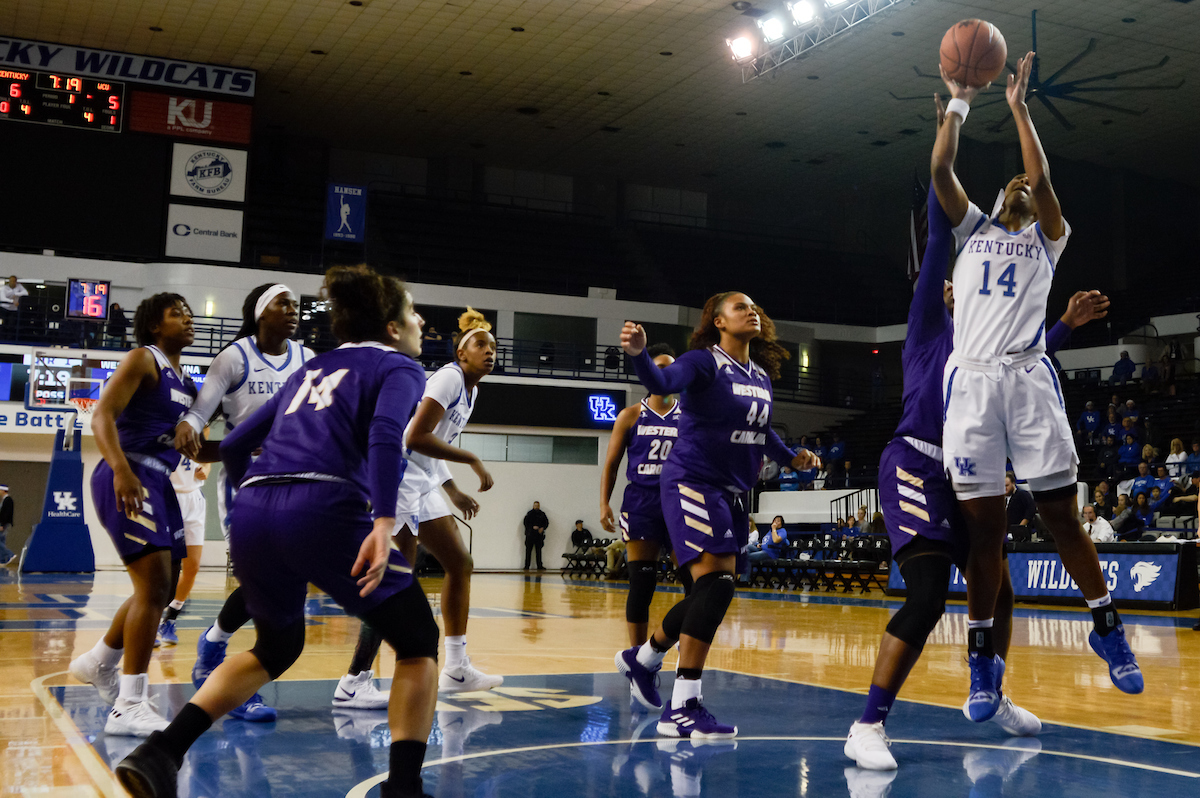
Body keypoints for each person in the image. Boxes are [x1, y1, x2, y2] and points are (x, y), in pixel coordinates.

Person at [115, 265, 439, 798]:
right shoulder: (400, 367)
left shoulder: (309, 368)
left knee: (277, 645)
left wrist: (248, 505)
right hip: (323, 506)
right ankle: (403, 789)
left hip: (254, 510)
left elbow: (235, 444)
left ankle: (162, 752)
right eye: (412, 313)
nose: (420, 322)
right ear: (391, 327)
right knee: (418, 640)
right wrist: (384, 520)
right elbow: (385, 433)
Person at [844, 152, 1106, 769]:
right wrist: (948, 137)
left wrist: (1065, 324)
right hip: (916, 465)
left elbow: (1028, 357)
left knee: (1001, 589)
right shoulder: (930, 329)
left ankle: (989, 685)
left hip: (967, 470)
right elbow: (941, 234)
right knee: (929, 595)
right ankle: (867, 725)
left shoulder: (998, 344)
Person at [933, 52, 1141, 725]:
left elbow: (1043, 177)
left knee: (1059, 515)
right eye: (1014, 182)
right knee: (984, 532)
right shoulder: (972, 230)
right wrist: (959, 103)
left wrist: (1019, 109)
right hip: (972, 383)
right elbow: (941, 172)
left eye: (1028, 181)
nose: (1023, 183)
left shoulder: (1049, 239)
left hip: (1026, 378)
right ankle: (982, 660)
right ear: (999, 199)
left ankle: (1105, 624)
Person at [614, 292, 818, 738]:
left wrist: (792, 458)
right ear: (719, 321)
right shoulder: (704, 362)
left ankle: (644, 658)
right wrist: (639, 355)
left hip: (732, 493)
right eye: (740, 307)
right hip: (692, 480)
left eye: (754, 307)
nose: (751, 311)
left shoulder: (759, 375)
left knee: (713, 591)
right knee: (716, 585)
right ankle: (682, 705)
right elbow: (662, 380)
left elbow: (761, 432)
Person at [335, 307, 500, 703]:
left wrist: (451, 489)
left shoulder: (472, 391)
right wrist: (472, 459)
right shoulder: (448, 378)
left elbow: (432, 444)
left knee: (459, 563)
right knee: (395, 578)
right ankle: (354, 680)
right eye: (480, 345)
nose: (489, 352)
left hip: (422, 479)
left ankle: (456, 667)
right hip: (399, 475)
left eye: (493, 347)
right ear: (461, 353)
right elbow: (414, 437)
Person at [175, 283, 315, 723]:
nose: (292, 310)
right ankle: (235, 678)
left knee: (287, 581)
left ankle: (214, 643)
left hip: (296, 482)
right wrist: (195, 428)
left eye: (295, 304)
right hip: (247, 483)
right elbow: (199, 415)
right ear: (260, 312)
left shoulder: (307, 358)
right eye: (282, 303)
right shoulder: (234, 357)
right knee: (263, 579)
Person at [68, 294, 197, 737]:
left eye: (189, 313)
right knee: (155, 585)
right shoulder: (144, 359)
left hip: (160, 479)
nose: (188, 318)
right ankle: (129, 704)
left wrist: (256, 447)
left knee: (161, 586)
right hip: (129, 472)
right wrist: (121, 470)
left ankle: (99, 660)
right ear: (155, 325)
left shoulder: (187, 385)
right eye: (177, 313)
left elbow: (197, 450)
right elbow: (101, 415)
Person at [600, 344, 681, 652]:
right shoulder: (631, 415)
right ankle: (637, 659)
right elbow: (611, 464)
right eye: (659, 368)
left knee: (696, 585)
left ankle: (674, 648)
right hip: (642, 504)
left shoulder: (689, 416)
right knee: (642, 584)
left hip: (680, 504)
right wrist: (604, 503)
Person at [156, 456, 209, 646]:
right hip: (168, 496)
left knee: (192, 566)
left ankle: (170, 618)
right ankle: (151, 621)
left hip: (194, 498)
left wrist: (205, 469)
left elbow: (206, 459)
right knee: (164, 567)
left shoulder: (202, 435)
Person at [522, 501, 547, 570]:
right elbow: (525, 523)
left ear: (539, 506)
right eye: (535, 505)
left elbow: (546, 523)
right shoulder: (529, 514)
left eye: (537, 505)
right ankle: (527, 566)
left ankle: (539, 566)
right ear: (533, 506)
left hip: (539, 536)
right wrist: (532, 527)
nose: (536, 507)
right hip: (530, 535)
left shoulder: (542, 514)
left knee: (538, 552)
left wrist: (542, 528)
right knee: (528, 551)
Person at [0, 484, 17, 566]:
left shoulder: (8, 500)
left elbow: (6, 514)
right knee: (2, 541)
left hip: (4, 524)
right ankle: (2, 560)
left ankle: (10, 554)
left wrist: (2, 524)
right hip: (3, 524)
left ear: (3, 491)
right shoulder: (4, 500)